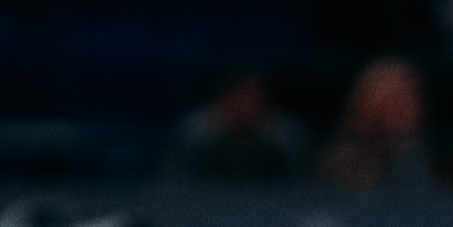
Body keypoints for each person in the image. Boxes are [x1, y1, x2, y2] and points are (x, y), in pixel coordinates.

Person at [167, 71, 308, 182]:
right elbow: (175, 177)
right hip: (206, 201)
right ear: (224, 99)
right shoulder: (196, 130)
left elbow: (302, 178)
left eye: (253, 100)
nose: (245, 106)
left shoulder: (284, 133)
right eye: (239, 98)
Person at [319, 57, 434, 188]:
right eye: (380, 105)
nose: (389, 120)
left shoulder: (440, 166)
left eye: (399, 105)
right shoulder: (333, 167)